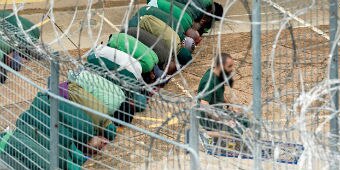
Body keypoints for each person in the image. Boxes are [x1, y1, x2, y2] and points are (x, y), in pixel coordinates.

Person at [197, 53, 249, 135]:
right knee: (236, 130)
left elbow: (219, 92)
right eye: (229, 66)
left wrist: (229, 105)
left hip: (219, 112)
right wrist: (224, 120)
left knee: (245, 121)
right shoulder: (209, 82)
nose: (232, 69)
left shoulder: (218, 74)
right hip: (209, 120)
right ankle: (208, 135)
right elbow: (204, 105)